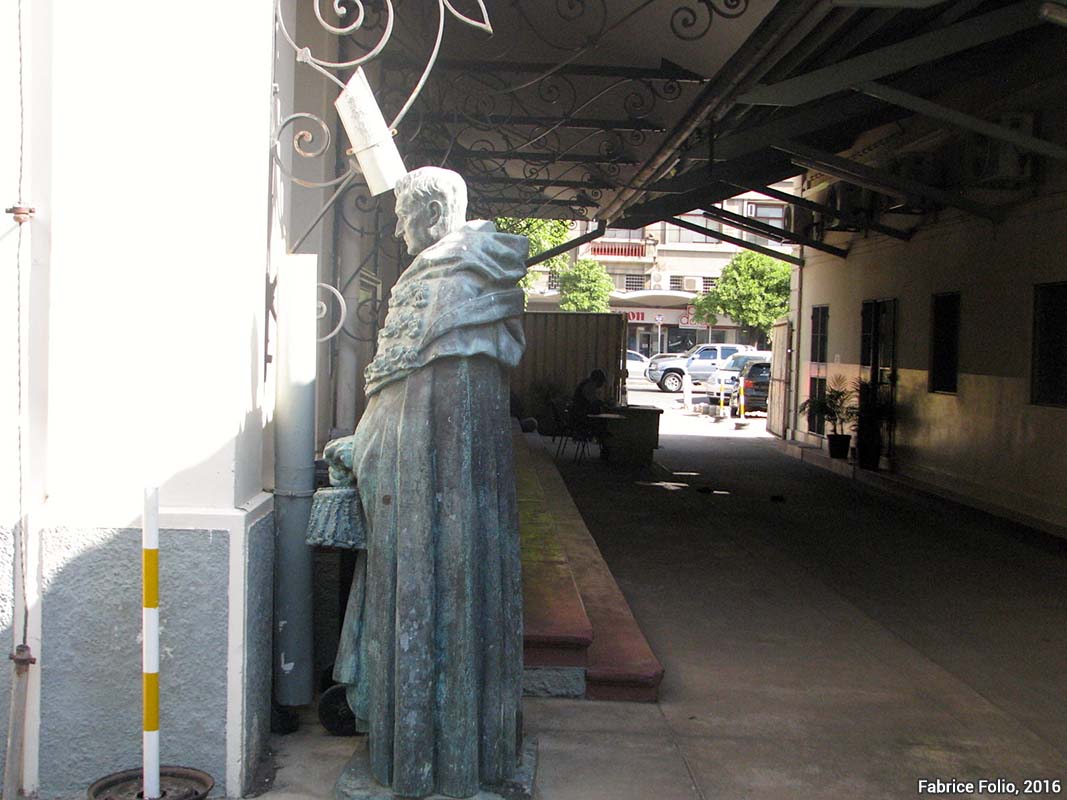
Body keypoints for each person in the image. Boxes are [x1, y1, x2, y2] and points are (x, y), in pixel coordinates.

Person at [323, 167, 528, 799]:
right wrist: (369, 442)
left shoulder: (439, 285)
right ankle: (470, 756)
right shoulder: (478, 279)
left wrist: (360, 447)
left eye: (403, 217)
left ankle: (423, 761)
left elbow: (407, 408)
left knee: (426, 604)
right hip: (453, 499)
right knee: (464, 604)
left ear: (434, 215)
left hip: (420, 502)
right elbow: (414, 401)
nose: (397, 229)